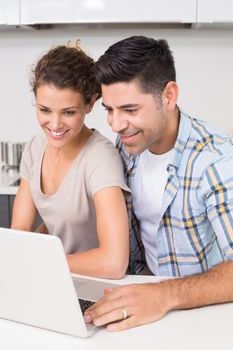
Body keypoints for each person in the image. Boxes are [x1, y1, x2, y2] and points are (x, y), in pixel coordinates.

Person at [84, 35, 233, 331]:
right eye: (109, 110)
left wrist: (164, 294)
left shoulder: (216, 162)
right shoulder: (128, 144)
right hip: (140, 300)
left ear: (168, 96)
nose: (115, 124)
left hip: (199, 314)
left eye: (129, 109)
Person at [11, 41, 130, 279]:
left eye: (68, 112)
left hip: (94, 283)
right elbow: (20, 232)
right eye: (44, 110)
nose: (54, 125)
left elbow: (114, 262)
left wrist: (44, 262)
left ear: (90, 103)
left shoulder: (100, 158)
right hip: (54, 277)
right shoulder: (35, 148)